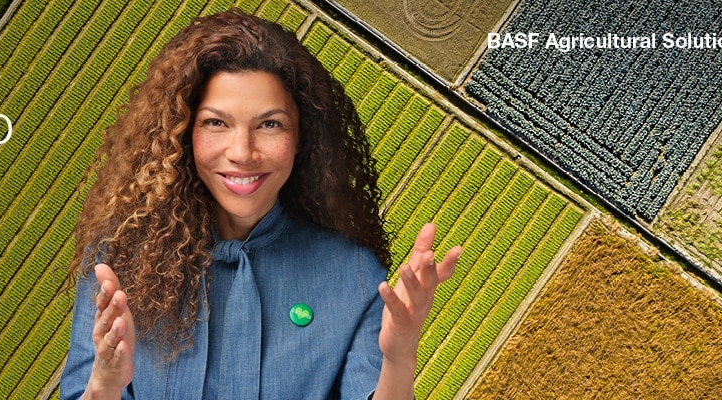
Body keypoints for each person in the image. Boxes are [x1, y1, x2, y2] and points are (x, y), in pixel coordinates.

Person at [61, 9, 461, 400]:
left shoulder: (354, 273)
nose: (243, 152)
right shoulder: (118, 256)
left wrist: (399, 356)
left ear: (302, 137)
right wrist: (105, 385)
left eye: (270, 124)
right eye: (216, 123)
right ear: (183, 134)